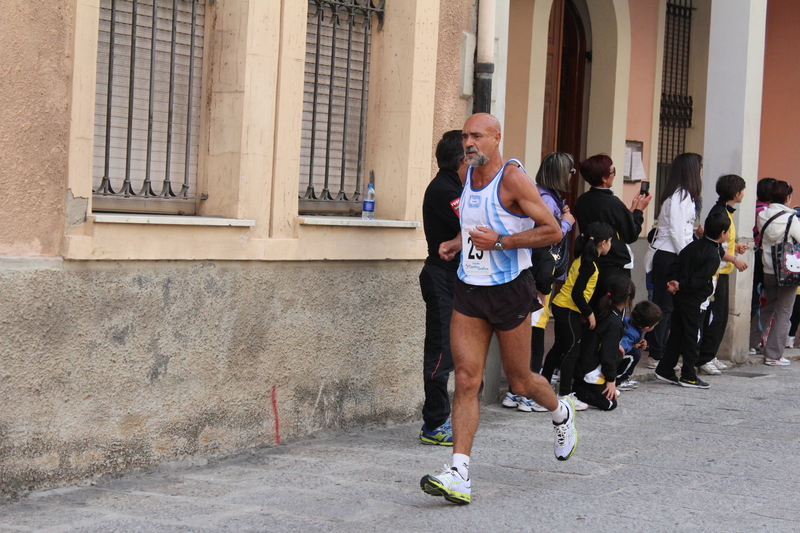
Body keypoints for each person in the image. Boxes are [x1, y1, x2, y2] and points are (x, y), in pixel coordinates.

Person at [419, 113, 575, 506]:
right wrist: (458, 242)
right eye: (465, 136)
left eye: (476, 136)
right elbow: (476, 220)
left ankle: (561, 412)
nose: (469, 142)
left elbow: (552, 230)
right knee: (468, 380)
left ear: (496, 138)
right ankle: (459, 473)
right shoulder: (466, 173)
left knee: (520, 382)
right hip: (470, 289)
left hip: (509, 290)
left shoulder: (512, 177)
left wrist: (502, 242)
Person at [502, 152, 575, 412]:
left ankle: (515, 392)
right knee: (534, 334)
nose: (571, 176)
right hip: (537, 277)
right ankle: (528, 394)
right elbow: (546, 237)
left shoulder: (546, 197)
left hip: (537, 274)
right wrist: (565, 224)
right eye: (570, 171)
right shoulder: (544, 199)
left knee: (531, 331)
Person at [418, 130, 467, 446]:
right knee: (440, 352)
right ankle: (434, 423)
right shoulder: (443, 190)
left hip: (455, 278)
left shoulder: (459, 187)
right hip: (441, 278)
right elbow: (477, 227)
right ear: (464, 160)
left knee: (455, 350)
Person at [540, 222, 614, 411]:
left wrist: (582, 311)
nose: (611, 244)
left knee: (559, 347)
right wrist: (589, 314)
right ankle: (565, 394)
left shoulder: (585, 258)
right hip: (567, 307)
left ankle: (544, 384)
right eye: (610, 241)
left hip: (564, 306)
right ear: (603, 243)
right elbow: (577, 294)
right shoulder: (589, 264)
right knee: (573, 350)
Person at [655, 211, 730, 388]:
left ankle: (665, 368)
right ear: (722, 233)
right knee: (692, 336)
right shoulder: (712, 255)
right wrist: (681, 285)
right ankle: (689, 374)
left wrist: (674, 283)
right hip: (695, 300)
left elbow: (676, 264)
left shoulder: (693, 246)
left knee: (677, 334)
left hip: (680, 298)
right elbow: (701, 278)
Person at [646, 153, 703, 367]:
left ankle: (660, 351)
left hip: (673, 255)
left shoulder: (683, 196)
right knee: (665, 305)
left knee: (669, 305)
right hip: (670, 255)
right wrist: (688, 260)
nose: (701, 172)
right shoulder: (680, 197)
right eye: (699, 167)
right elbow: (678, 234)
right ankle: (656, 353)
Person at [573, 154, 651, 306]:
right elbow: (630, 234)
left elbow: (611, 225)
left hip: (592, 261)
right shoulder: (612, 202)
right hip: (614, 266)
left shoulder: (582, 201)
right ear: (604, 178)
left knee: (594, 309)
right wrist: (639, 211)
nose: (614, 175)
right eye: (613, 172)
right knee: (613, 312)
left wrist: (630, 211)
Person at [697, 175, 749, 375]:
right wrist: (734, 258)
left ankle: (710, 355)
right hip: (716, 272)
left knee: (721, 316)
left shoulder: (726, 212)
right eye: (742, 190)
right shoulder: (720, 212)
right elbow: (713, 245)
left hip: (723, 272)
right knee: (714, 316)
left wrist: (735, 247)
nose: (743, 193)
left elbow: (721, 240)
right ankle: (704, 357)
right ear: (736, 193)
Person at [572, 276, 635, 411]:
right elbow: (607, 355)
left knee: (618, 352)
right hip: (590, 368)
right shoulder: (615, 322)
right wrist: (611, 381)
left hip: (584, 362)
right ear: (628, 299)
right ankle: (580, 391)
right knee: (610, 404)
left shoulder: (603, 310)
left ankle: (584, 385)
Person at [757, 180, 800, 366]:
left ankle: (751, 343)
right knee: (784, 311)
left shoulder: (762, 215)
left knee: (766, 307)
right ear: (787, 197)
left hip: (768, 269)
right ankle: (773, 354)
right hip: (787, 271)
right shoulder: (791, 219)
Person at [750, 177, 776, 352]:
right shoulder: (765, 212)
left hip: (754, 254)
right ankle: (752, 339)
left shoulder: (755, 207)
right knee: (757, 299)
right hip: (761, 256)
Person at [616, 300, 662, 391]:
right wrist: (633, 346)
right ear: (646, 327)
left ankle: (623, 377)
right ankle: (619, 380)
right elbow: (621, 348)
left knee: (634, 351)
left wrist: (636, 344)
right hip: (614, 358)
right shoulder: (632, 332)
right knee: (635, 354)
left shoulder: (629, 322)